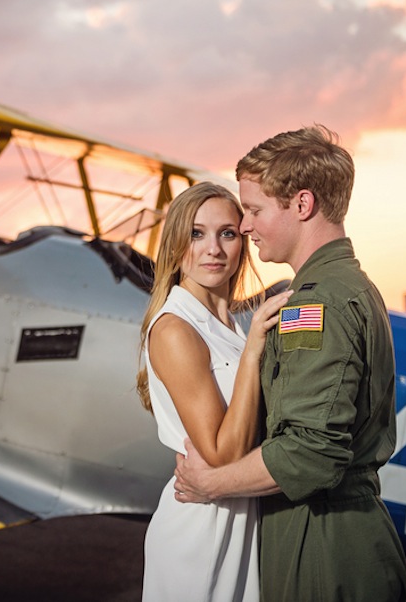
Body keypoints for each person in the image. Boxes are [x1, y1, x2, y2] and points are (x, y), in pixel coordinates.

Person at [173, 125, 406, 601]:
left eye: (255, 210)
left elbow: (309, 453)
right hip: (334, 537)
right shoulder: (349, 286)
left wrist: (211, 483)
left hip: (321, 545)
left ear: (301, 205)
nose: (244, 226)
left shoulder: (315, 305)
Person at [137, 181, 292, 601]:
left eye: (226, 233)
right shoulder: (175, 328)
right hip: (201, 531)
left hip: (239, 518)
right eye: (196, 234)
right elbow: (221, 453)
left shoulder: (228, 323)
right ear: (174, 245)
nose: (214, 249)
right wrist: (255, 351)